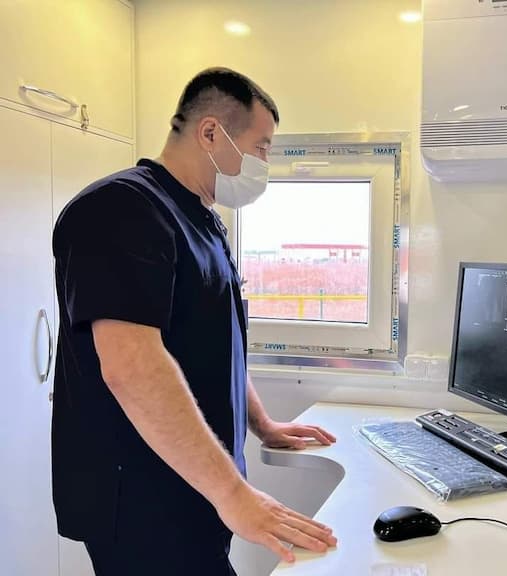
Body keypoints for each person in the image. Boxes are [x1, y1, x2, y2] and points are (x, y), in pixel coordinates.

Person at [51, 67, 337, 576]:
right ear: (210, 133)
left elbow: (218, 342)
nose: (265, 163)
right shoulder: (121, 210)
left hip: (195, 487)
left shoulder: (203, 219)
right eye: (262, 147)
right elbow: (132, 369)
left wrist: (262, 425)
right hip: (141, 502)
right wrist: (234, 494)